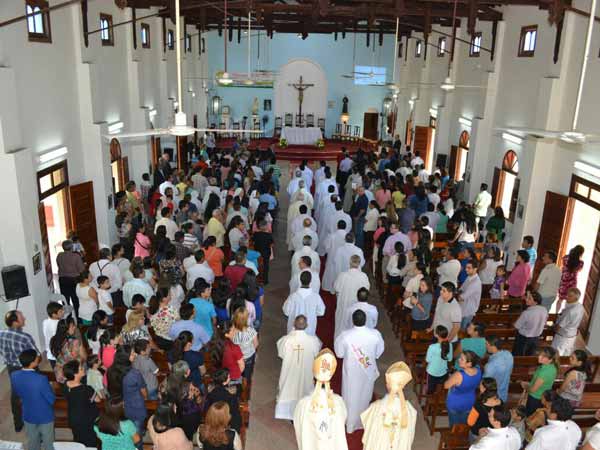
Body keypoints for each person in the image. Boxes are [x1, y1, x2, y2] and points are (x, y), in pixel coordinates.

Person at [334, 309, 385, 433]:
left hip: (351, 372)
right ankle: (362, 421)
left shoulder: (345, 335)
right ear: (365, 320)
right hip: (367, 370)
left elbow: (339, 353)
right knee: (365, 395)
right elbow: (379, 352)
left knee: (350, 396)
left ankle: (350, 424)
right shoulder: (375, 334)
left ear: (353, 320)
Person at [275, 315, 322, 420]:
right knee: (304, 390)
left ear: (294, 324)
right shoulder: (314, 341)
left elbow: (281, 354)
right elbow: (316, 353)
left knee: (289, 390)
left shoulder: (286, 340)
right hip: (305, 374)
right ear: (307, 325)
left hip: (290, 373)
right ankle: (302, 414)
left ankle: (288, 413)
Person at [10, 349, 55, 450]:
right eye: (36, 357)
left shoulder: (14, 375)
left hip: (28, 414)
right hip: (44, 416)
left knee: (33, 442)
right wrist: (50, 388)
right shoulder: (41, 379)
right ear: (33, 362)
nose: (38, 358)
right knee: (48, 443)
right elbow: (51, 399)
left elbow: (17, 393)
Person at [108, 344, 148, 441]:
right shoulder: (134, 374)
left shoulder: (110, 370)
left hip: (119, 408)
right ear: (125, 358)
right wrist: (145, 398)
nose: (135, 355)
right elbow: (144, 392)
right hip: (135, 409)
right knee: (137, 437)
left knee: (124, 434)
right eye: (132, 354)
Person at [63, 359, 99, 447]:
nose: (83, 369)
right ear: (75, 374)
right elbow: (98, 399)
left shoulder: (65, 384)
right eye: (81, 369)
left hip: (73, 418)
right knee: (89, 442)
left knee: (78, 440)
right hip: (86, 420)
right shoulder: (86, 389)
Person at [333, 254, 371, 339]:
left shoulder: (342, 275)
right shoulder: (363, 276)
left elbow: (336, 288)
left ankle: (340, 341)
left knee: (342, 324)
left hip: (344, 303)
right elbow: (366, 290)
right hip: (357, 305)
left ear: (349, 262)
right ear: (359, 263)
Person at [445, 351, 483, 426]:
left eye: (462, 359)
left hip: (455, 403)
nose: (458, 359)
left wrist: (451, 376)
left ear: (469, 364)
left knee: (454, 426)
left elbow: (446, 385)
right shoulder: (478, 371)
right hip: (470, 401)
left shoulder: (459, 374)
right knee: (465, 424)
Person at [283, 271, 326, 336]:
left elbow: (286, 311)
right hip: (309, 329)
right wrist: (313, 313)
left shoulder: (293, 296)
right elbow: (321, 312)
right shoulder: (316, 297)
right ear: (310, 281)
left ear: (300, 280)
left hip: (294, 330)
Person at [520, 346, 559, 415]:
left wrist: (525, 386)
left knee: (530, 415)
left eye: (543, 356)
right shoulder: (552, 367)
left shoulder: (544, 372)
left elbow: (533, 390)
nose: (539, 357)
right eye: (540, 354)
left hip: (535, 398)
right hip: (542, 397)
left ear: (550, 360)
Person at [50, 316, 86, 383]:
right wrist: (81, 345)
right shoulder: (74, 341)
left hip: (60, 372)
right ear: (66, 329)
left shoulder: (53, 340)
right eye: (72, 326)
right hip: (73, 373)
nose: (75, 327)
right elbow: (84, 357)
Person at [513, 290, 548, 356]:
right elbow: (544, 322)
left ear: (535, 302)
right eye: (527, 297)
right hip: (536, 338)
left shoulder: (527, 313)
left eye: (529, 298)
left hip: (523, 339)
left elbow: (516, 326)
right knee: (530, 355)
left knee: (518, 355)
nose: (526, 299)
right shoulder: (544, 310)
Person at [56, 239, 85, 317]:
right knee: (76, 300)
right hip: (74, 280)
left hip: (62, 280)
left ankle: (68, 318)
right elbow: (81, 269)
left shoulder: (59, 255)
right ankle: (78, 317)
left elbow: (58, 265)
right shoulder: (76, 256)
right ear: (72, 247)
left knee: (65, 300)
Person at [552, 287, 584, 355]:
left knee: (556, 355)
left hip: (562, 337)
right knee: (566, 355)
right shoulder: (580, 306)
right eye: (567, 294)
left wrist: (553, 328)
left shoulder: (570, 311)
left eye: (570, 296)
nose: (566, 297)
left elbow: (559, 327)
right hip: (572, 336)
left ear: (576, 298)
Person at [231, 308, 259, 383]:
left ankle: (239, 381)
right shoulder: (251, 331)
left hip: (237, 358)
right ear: (246, 319)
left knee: (239, 372)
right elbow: (256, 344)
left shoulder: (233, 331)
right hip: (249, 356)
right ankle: (246, 384)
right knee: (247, 373)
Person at [483, 335, 514, 402]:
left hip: (492, 398)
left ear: (491, 346)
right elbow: (510, 372)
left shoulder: (490, 366)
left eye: (486, 344)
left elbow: (485, 384)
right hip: (504, 394)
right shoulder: (509, 354)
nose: (485, 346)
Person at [426, 325, 453, 394]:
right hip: (443, 372)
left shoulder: (432, 347)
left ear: (436, 335)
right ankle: (437, 396)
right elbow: (450, 359)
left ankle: (430, 396)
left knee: (430, 390)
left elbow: (427, 360)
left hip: (432, 372)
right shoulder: (450, 345)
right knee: (440, 389)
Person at [557, 245, 585, 312]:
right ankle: (566, 314)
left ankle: (556, 313)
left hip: (564, 281)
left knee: (560, 299)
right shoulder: (580, 263)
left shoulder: (565, 258)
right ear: (580, 253)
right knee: (570, 299)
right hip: (572, 282)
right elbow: (579, 270)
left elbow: (563, 265)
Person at [458, 259, 483, 330]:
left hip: (469, 310)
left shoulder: (476, 282)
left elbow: (461, 297)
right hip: (463, 307)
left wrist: (459, 295)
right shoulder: (469, 277)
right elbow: (461, 289)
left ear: (475, 269)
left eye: (469, 268)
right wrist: (459, 294)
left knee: (464, 330)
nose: (466, 269)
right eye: (466, 267)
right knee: (460, 329)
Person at [222, 323, 245, 389]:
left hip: (225, 375)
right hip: (234, 377)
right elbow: (242, 366)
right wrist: (237, 374)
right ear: (226, 334)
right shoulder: (234, 347)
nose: (236, 331)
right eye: (233, 330)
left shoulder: (223, 343)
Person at [42, 302, 64, 369]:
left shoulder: (45, 322)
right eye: (60, 311)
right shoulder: (59, 324)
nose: (63, 312)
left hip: (50, 354)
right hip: (59, 354)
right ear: (54, 315)